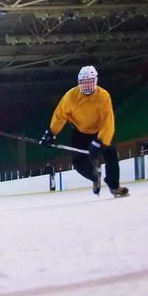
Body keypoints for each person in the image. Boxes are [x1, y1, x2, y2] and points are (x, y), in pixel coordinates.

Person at [40, 65, 129, 197]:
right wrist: (51, 133)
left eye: (90, 81)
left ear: (96, 81)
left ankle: (114, 186)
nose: (87, 85)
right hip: (80, 132)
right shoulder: (70, 97)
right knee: (78, 162)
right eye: (83, 82)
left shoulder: (103, 96)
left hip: (100, 132)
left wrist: (100, 141)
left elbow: (108, 121)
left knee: (111, 155)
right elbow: (60, 116)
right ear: (79, 82)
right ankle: (94, 177)